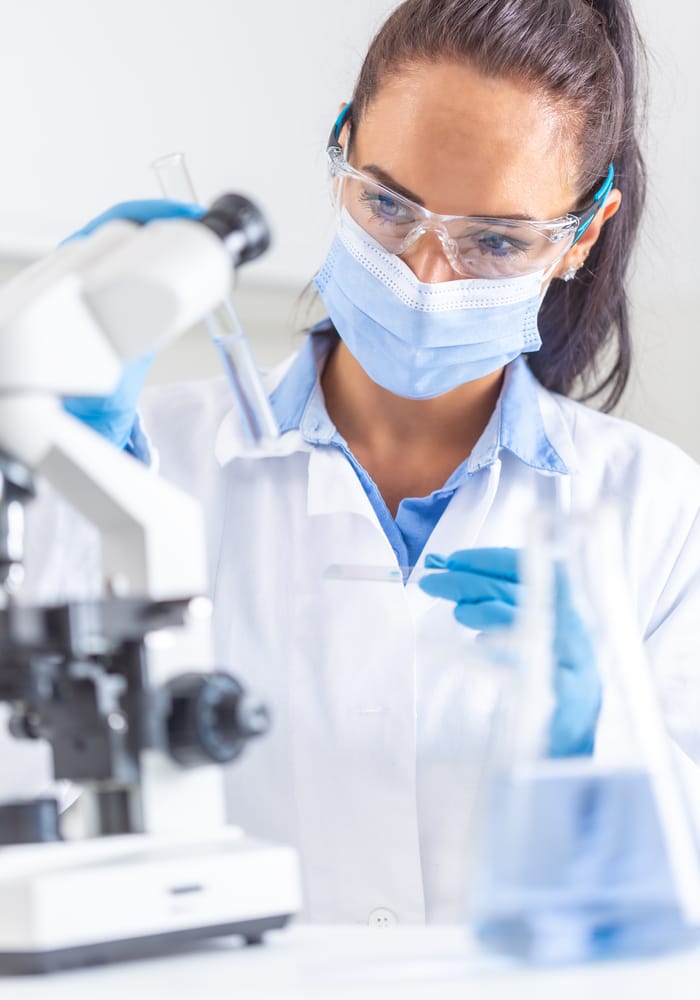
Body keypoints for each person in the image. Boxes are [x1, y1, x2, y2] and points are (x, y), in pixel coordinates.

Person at [17, 0, 700, 924]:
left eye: (496, 241)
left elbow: (674, 905)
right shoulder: (142, 465)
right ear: (341, 152)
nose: (424, 272)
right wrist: (51, 467)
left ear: (580, 233)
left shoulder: (659, 512)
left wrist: (594, 733)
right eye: (388, 203)